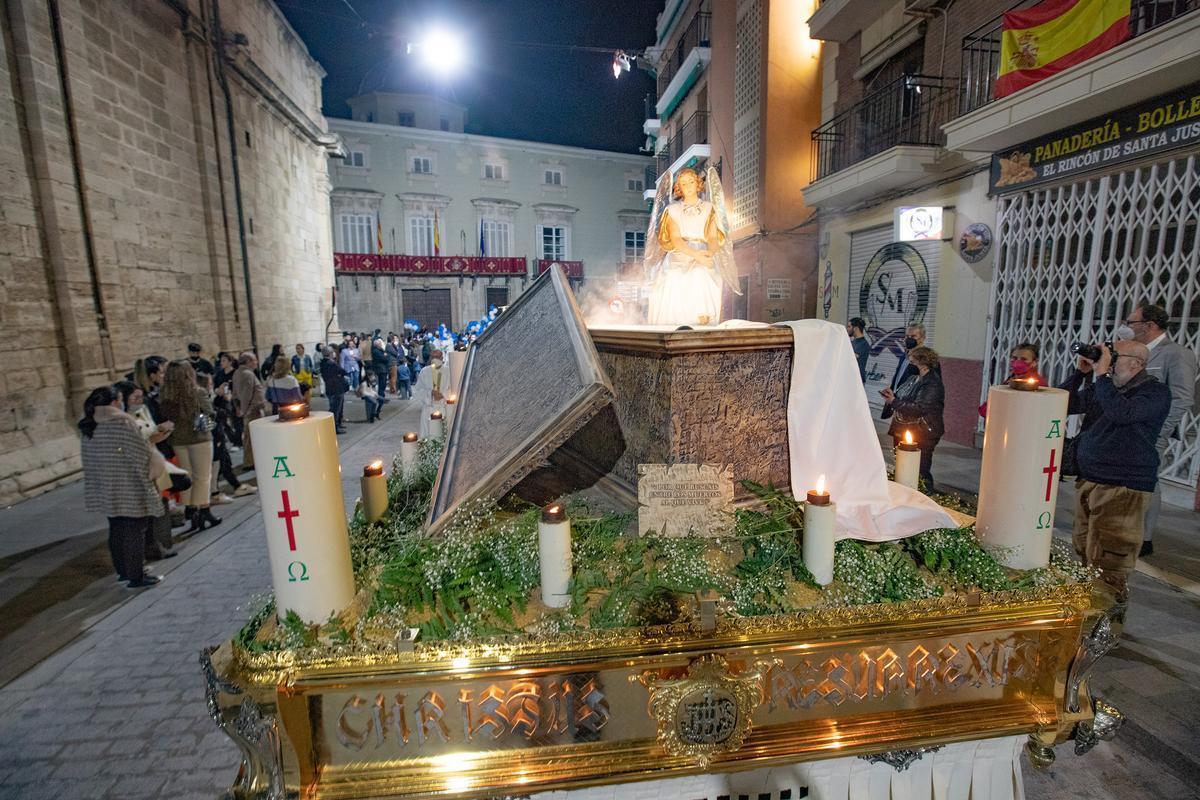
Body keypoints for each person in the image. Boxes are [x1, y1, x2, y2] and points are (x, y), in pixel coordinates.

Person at [1059, 340, 1170, 596]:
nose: (1106, 359)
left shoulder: (1155, 392)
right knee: (1086, 553)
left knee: (1110, 564)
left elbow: (1122, 413)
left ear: (1136, 363)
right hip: (1089, 480)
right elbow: (1063, 403)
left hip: (1123, 487)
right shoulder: (1105, 386)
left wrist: (1101, 375)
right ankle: (1089, 618)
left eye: (1114, 355)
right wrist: (1081, 373)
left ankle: (1107, 630)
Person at [1119, 304, 1199, 556]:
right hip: (1128, 427)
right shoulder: (1135, 351)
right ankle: (1127, 530)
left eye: (1131, 322)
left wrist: (1160, 430)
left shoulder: (1176, 354)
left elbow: (1182, 397)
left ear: (1149, 325)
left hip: (1151, 431)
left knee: (1148, 481)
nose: (1127, 327)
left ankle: (1145, 538)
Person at [78, 386, 165, 589]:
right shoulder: (122, 421)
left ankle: (123, 571)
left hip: (106, 486)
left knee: (116, 529)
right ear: (115, 403)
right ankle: (137, 575)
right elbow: (140, 453)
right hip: (128, 484)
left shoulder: (89, 425)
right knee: (135, 529)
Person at [112, 380, 178, 559]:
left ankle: (161, 544)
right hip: (137, 470)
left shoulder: (143, 411)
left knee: (159, 505)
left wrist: (162, 431)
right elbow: (133, 442)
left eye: (141, 396)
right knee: (143, 515)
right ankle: (149, 550)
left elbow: (150, 436)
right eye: (135, 397)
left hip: (153, 462)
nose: (139, 400)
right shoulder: (120, 420)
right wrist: (156, 429)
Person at [160, 361, 222, 534]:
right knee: (202, 476)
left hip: (178, 440)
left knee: (187, 476)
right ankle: (205, 512)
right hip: (199, 438)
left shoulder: (165, 395)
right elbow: (210, 412)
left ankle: (192, 510)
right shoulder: (197, 392)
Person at [880, 346, 944, 488]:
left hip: (923, 431)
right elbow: (904, 397)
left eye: (911, 361)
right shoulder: (913, 378)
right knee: (904, 467)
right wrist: (892, 396)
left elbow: (920, 408)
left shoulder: (932, 383)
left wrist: (894, 402)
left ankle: (925, 495)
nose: (909, 365)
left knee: (920, 470)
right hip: (905, 428)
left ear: (922, 363)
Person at [979, 342, 1048, 418]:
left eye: (1024, 359)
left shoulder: (1038, 383)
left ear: (1034, 362)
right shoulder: (1012, 379)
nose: (1018, 362)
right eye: (1014, 358)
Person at [232, 352, 269, 470]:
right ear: (248, 361)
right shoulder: (247, 374)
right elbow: (246, 395)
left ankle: (252, 460)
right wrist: (244, 410)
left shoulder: (238, 373)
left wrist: (239, 408)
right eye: (254, 360)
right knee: (252, 436)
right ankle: (250, 462)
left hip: (249, 409)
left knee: (250, 436)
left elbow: (235, 393)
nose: (256, 362)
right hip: (253, 410)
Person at [413, 348, 445, 437]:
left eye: (438, 357)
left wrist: (443, 394)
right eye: (433, 357)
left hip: (443, 407)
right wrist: (430, 393)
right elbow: (417, 390)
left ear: (442, 358)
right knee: (428, 435)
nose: (435, 359)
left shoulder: (448, 371)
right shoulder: (424, 371)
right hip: (428, 409)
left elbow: (454, 389)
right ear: (430, 359)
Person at [320, 346, 349, 433]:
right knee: (335, 409)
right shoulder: (331, 363)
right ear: (330, 354)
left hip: (330, 388)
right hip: (336, 388)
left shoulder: (323, 363)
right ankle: (335, 427)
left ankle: (338, 423)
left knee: (336, 407)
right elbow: (343, 371)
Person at [847, 317, 870, 383]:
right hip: (850, 380)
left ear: (855, 328)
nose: (847, 329)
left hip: (857, 382)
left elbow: (851, 357)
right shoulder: (853, 342)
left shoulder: (863, 344)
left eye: (849, 327)